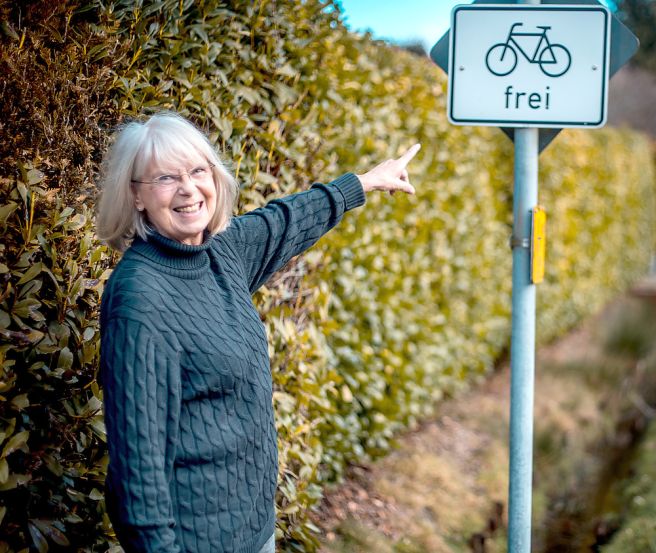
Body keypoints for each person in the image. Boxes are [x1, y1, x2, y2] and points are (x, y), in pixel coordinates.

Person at [96, 112, 419, 552]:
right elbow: (138, 465)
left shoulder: (219, 253)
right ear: (136, 196)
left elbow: (284, 220)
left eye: (197, 171)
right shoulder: (140, 299)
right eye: (166, 178)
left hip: (253, 528)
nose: (188, 188)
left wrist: (362, 183)